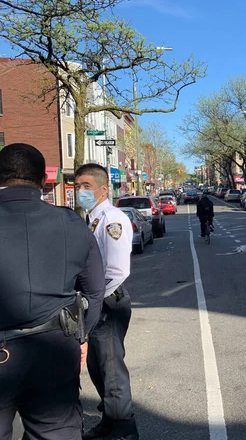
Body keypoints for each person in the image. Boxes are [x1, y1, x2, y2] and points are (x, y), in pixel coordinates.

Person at [0, 143, 105, 440]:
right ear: (45, 182)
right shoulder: (71, 222)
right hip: (53, 349)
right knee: (56, 432)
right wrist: (82, 336)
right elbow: (95, 292)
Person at [74, 164, 139, 440]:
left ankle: (123, 428)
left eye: (86, 186)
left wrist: (94, 301)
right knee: (98, 367)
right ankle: (110, 419)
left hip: (109, 303)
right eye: (78, 186)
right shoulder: (93, 219)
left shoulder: (112, 219)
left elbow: (117, 270)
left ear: (103, 190)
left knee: (111, 368)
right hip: (98, 302)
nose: (80, 191)